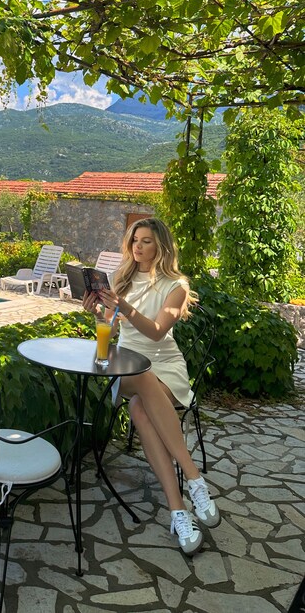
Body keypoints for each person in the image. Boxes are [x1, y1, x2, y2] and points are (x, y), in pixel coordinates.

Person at [83, 217, 220, 555]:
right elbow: (112, 333)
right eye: (134, 240)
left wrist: (123, 305)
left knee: (140, 409)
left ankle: (178, 511)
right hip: (129, 366)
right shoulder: (120, 280)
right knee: (142, 377)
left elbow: (158, 331)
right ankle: (194, 478)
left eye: (145, 240)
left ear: (160, 245)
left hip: (167, 366)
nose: (138, 246)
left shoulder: (176, 285)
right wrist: (96, 313)